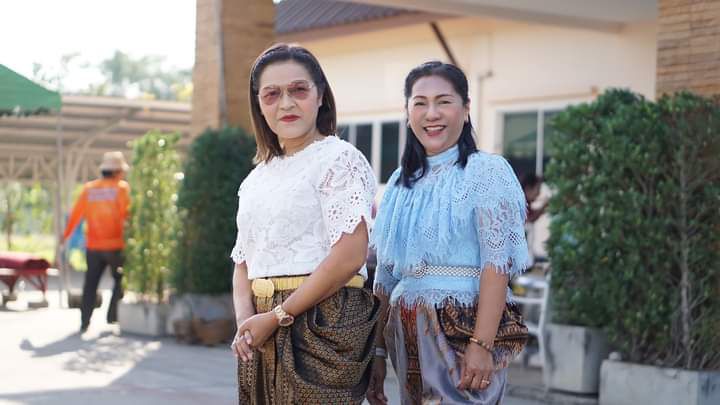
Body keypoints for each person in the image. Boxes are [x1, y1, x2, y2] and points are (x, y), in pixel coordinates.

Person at [367, 61, 531, 404]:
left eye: (444, 101)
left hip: (464, 326)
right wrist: (377, 351)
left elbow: (496, 264)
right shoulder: (399, 182)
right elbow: (386, 273)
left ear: (466, 109)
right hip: (406, 330)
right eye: (420, 103)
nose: (432, 113)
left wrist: (481, 344)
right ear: (408, 112)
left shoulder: (486, 171)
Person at [229, 43, 379, 404]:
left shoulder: (339, 159)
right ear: (258, 104)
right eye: (272, 94)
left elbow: (350, 255)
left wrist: (279, 315)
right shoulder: (255, 178)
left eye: (298, 90)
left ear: (320, 95)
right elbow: (243, 261)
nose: (286, 104)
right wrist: (246, 322)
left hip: (324, 319)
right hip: (261, 322)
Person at [62, 151, 130, 333]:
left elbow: (75, 215)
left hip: (93, 246)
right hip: (115, 246)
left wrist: (65, 235)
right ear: (117, 172)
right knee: (120, 280)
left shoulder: (89, 189)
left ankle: (85, 321)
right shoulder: (121, 189)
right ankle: (112, 315)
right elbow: (127, 215)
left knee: (90, 284)